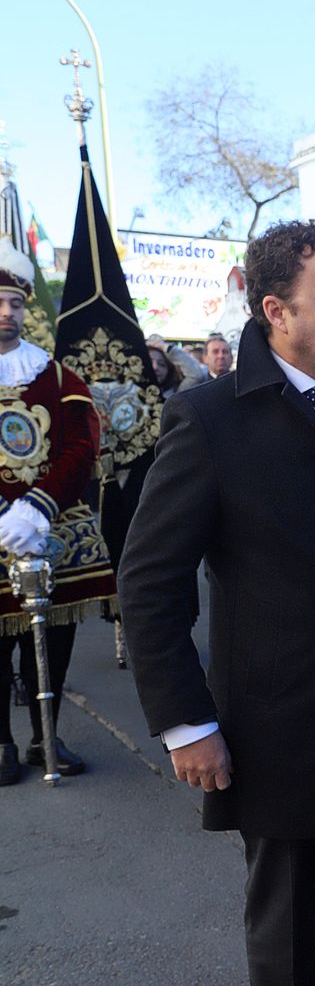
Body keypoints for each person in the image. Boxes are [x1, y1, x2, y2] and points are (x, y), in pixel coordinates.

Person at [119, 220, 315, 986]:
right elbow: (150, 578)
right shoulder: (210, 419)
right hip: (275, 725)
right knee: (284, 923)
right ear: (276, 311)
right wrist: (187, 720)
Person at [0, 244, 116, 785]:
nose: (7, 313)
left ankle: (46, 732)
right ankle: (1, 740)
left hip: (54, 523)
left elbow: (80, 442)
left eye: (14, 304)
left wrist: (38, 504)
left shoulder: (58, 374)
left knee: (52, 632)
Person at [146, 334, 206, 399]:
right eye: (149, 362)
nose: (155, 367)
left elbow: (196, 375)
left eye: (161, 364)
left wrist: (167, 348)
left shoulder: (175, 395)